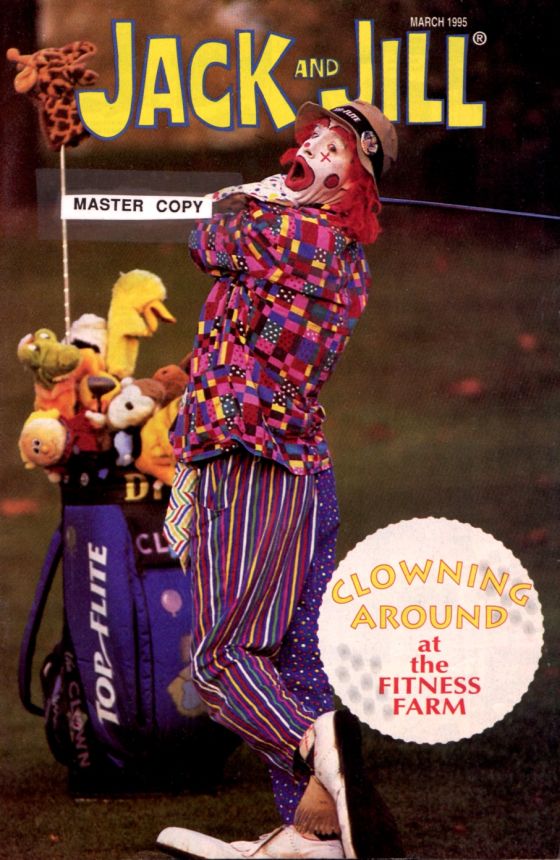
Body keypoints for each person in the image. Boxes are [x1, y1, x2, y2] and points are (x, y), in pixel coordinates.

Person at [158, 100, 402, 859]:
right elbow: (251, 322)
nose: (315, 148)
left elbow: (206, 235)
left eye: (336, 147)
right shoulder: (328, 249)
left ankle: (315, 758)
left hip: (252, 458)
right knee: (296, 656)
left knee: (221, 660)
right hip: (300, 467)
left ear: (354, 183)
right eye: (314, 137)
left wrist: (251, 194)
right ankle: (314, 833)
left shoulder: (299, 234)